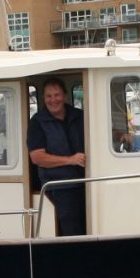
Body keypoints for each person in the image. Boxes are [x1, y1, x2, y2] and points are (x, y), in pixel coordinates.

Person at [27, 77, 86, 236]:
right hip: (60, 187)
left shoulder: (79, 116)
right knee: (73, 232)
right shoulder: (37, 123)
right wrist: (71, 160)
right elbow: (37, 158)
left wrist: (120, 134)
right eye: (48, 96)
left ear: (65, 95)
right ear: (44, 98)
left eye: (57, 95)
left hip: (87, 183)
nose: (53, 100)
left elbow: (97, 130)